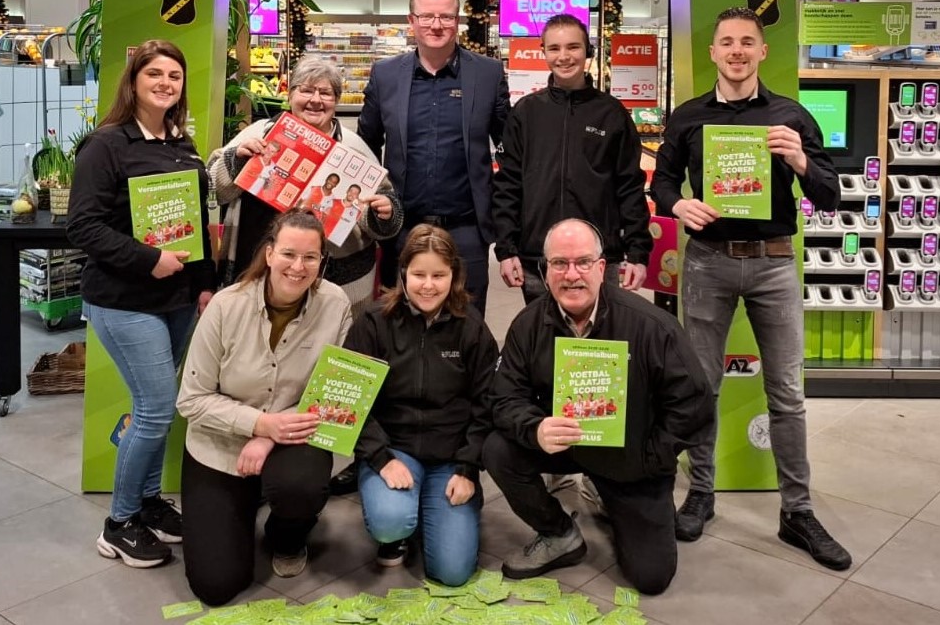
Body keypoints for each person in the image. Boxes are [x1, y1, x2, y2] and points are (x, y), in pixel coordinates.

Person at [650, 7, 851, 571]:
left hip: (773, 263)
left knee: (786, 393)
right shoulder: (688, 117)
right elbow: (663, 181)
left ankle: (798, 511)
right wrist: (677, 205)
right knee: (702, 387)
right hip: (708, 262)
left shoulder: (790, 116)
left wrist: (800, 158)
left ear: (762, 51)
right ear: (712, 52)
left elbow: (830, 195)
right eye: (726, 42)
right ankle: (702, 493)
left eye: (746, 42)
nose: (736, 51)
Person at [483, 219, 713, 595]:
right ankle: (559, 533)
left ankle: (618, 501)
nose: (571, 274)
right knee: (497, 448)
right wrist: (535, 428)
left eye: (583, 262)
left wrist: (651, 456)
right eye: (560, 263)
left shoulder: (652, 326)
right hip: (565, 445)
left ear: (602, 267)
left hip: (631, 460)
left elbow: (695, 404)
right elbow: (504, 397)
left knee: (651, 577)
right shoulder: (528, 325)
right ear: (545, 269)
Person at [66, 39, 215, 569]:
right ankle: (119, 522)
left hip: (177, 299)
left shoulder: (182, 144)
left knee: (157, 407)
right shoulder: (106, 145)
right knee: (154, 408)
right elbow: (82, 226)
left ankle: (149, 502)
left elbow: (195, 223)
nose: (165, 83)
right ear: (133, 82)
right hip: (125, 299)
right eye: (155, 74)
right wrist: (148, 259)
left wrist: (204, 283)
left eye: (174, 75)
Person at [176, 209, 353, 605]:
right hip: (219, 445)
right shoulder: (226, 306)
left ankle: (286, 535)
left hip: (293, 436)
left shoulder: (335, 304)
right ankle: (243, 500)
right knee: (216, 585)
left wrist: (270, 434)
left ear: (322, 261)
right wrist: (256, 423)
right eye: (289, 254)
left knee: (300, 488)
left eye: (310, 257)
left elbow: (333, 393)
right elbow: (191, 400)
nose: (298, 266)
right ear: (269, 253)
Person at [343, 224, 498, 586]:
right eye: (419, 275)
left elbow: (488, 402)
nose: (428, 285)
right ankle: (399, 526)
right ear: (403, 273)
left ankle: (435, 512)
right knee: (390, 521)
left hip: (451, 456)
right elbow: (349, 400)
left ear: (454, 275)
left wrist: (468, 468)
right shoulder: (373, 323)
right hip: (394, 449)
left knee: (453, 572)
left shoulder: (472, 327)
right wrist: (380, 457)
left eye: (438, 275)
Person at [356, 0, 510, 315]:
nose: (436, 25)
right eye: (426, 16)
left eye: (446, 16)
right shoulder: (385, 75)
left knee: (467, 322)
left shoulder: (487, 75)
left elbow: (510, 150)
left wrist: (501, 217)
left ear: (458, 20)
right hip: (402, 228)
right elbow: (365, 145)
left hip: (467, 230)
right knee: (399, 322)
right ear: (411, 20)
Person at [208, 55, 404, 305]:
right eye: (306, 90)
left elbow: (382, 211)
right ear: (290, 95)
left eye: (326, 93)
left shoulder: (353, 148)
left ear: (336, 101)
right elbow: (212, 189)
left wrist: (383, 214)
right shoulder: (259, 134)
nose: (315, 100)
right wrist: (236, 161)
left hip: (336, 286)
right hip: (256, 275)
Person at [494, 14, 651, 303]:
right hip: (538, 259)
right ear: (543, 52)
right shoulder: (526, 113)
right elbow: (508, 185)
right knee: (541, 332)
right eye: (554, 48)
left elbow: (630, 186)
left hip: (599, 260)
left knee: (600, 333)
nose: (564, 56)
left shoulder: (611, 114)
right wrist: (506, 249)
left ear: (587, 51)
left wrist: (638, 252)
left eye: (573, 47)